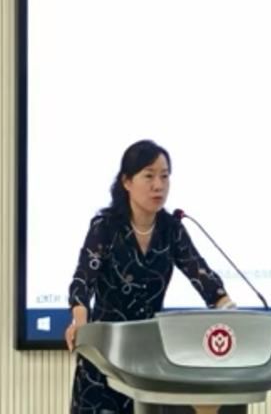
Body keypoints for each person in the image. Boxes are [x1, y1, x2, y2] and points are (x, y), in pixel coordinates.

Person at [66, 139, 235, 414]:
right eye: (149, 176)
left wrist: (228, 308)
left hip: (148, 361)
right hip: (104, 357)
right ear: (127, 181)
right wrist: (79, 321)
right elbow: (83, 280)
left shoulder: (171, 229)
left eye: (165, 176)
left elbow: (203, 277)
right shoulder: (106, 227)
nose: (159, 185)